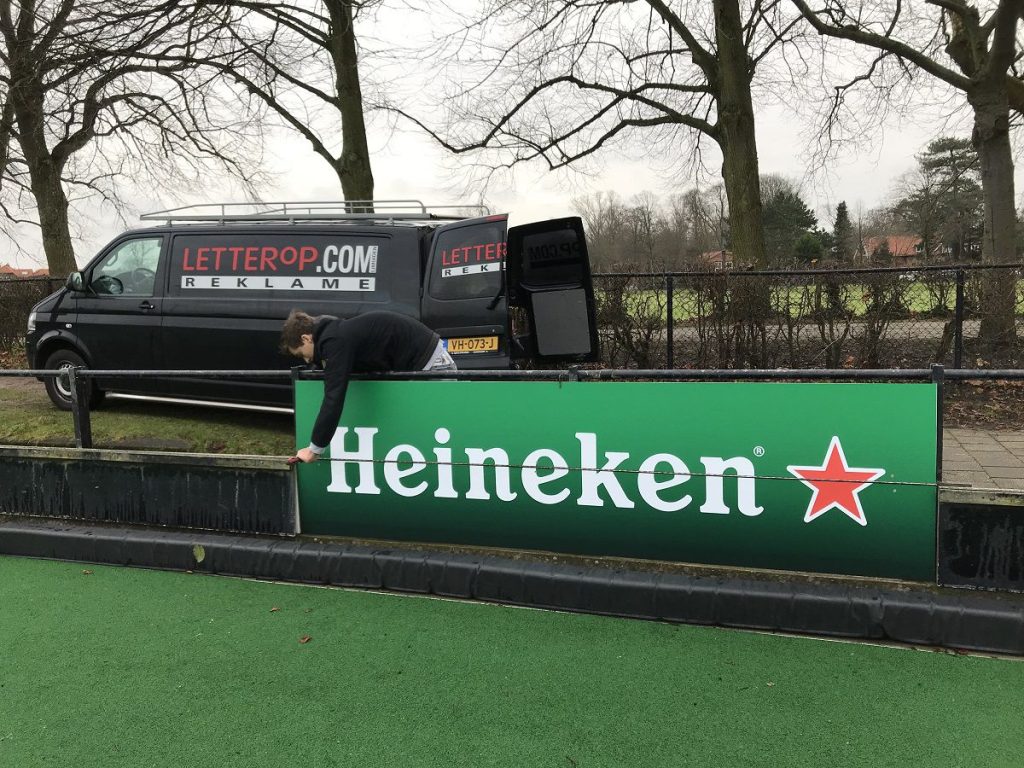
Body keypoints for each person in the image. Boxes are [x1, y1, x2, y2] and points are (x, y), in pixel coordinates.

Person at [281, 309, 456, 463]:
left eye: (301, 354)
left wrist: (314, 449)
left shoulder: (334, 341)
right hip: (418, 361)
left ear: (306, 338)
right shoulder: (332, 333)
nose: (306, 360)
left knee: (447, 429)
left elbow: (333, 397)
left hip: (430, 361)